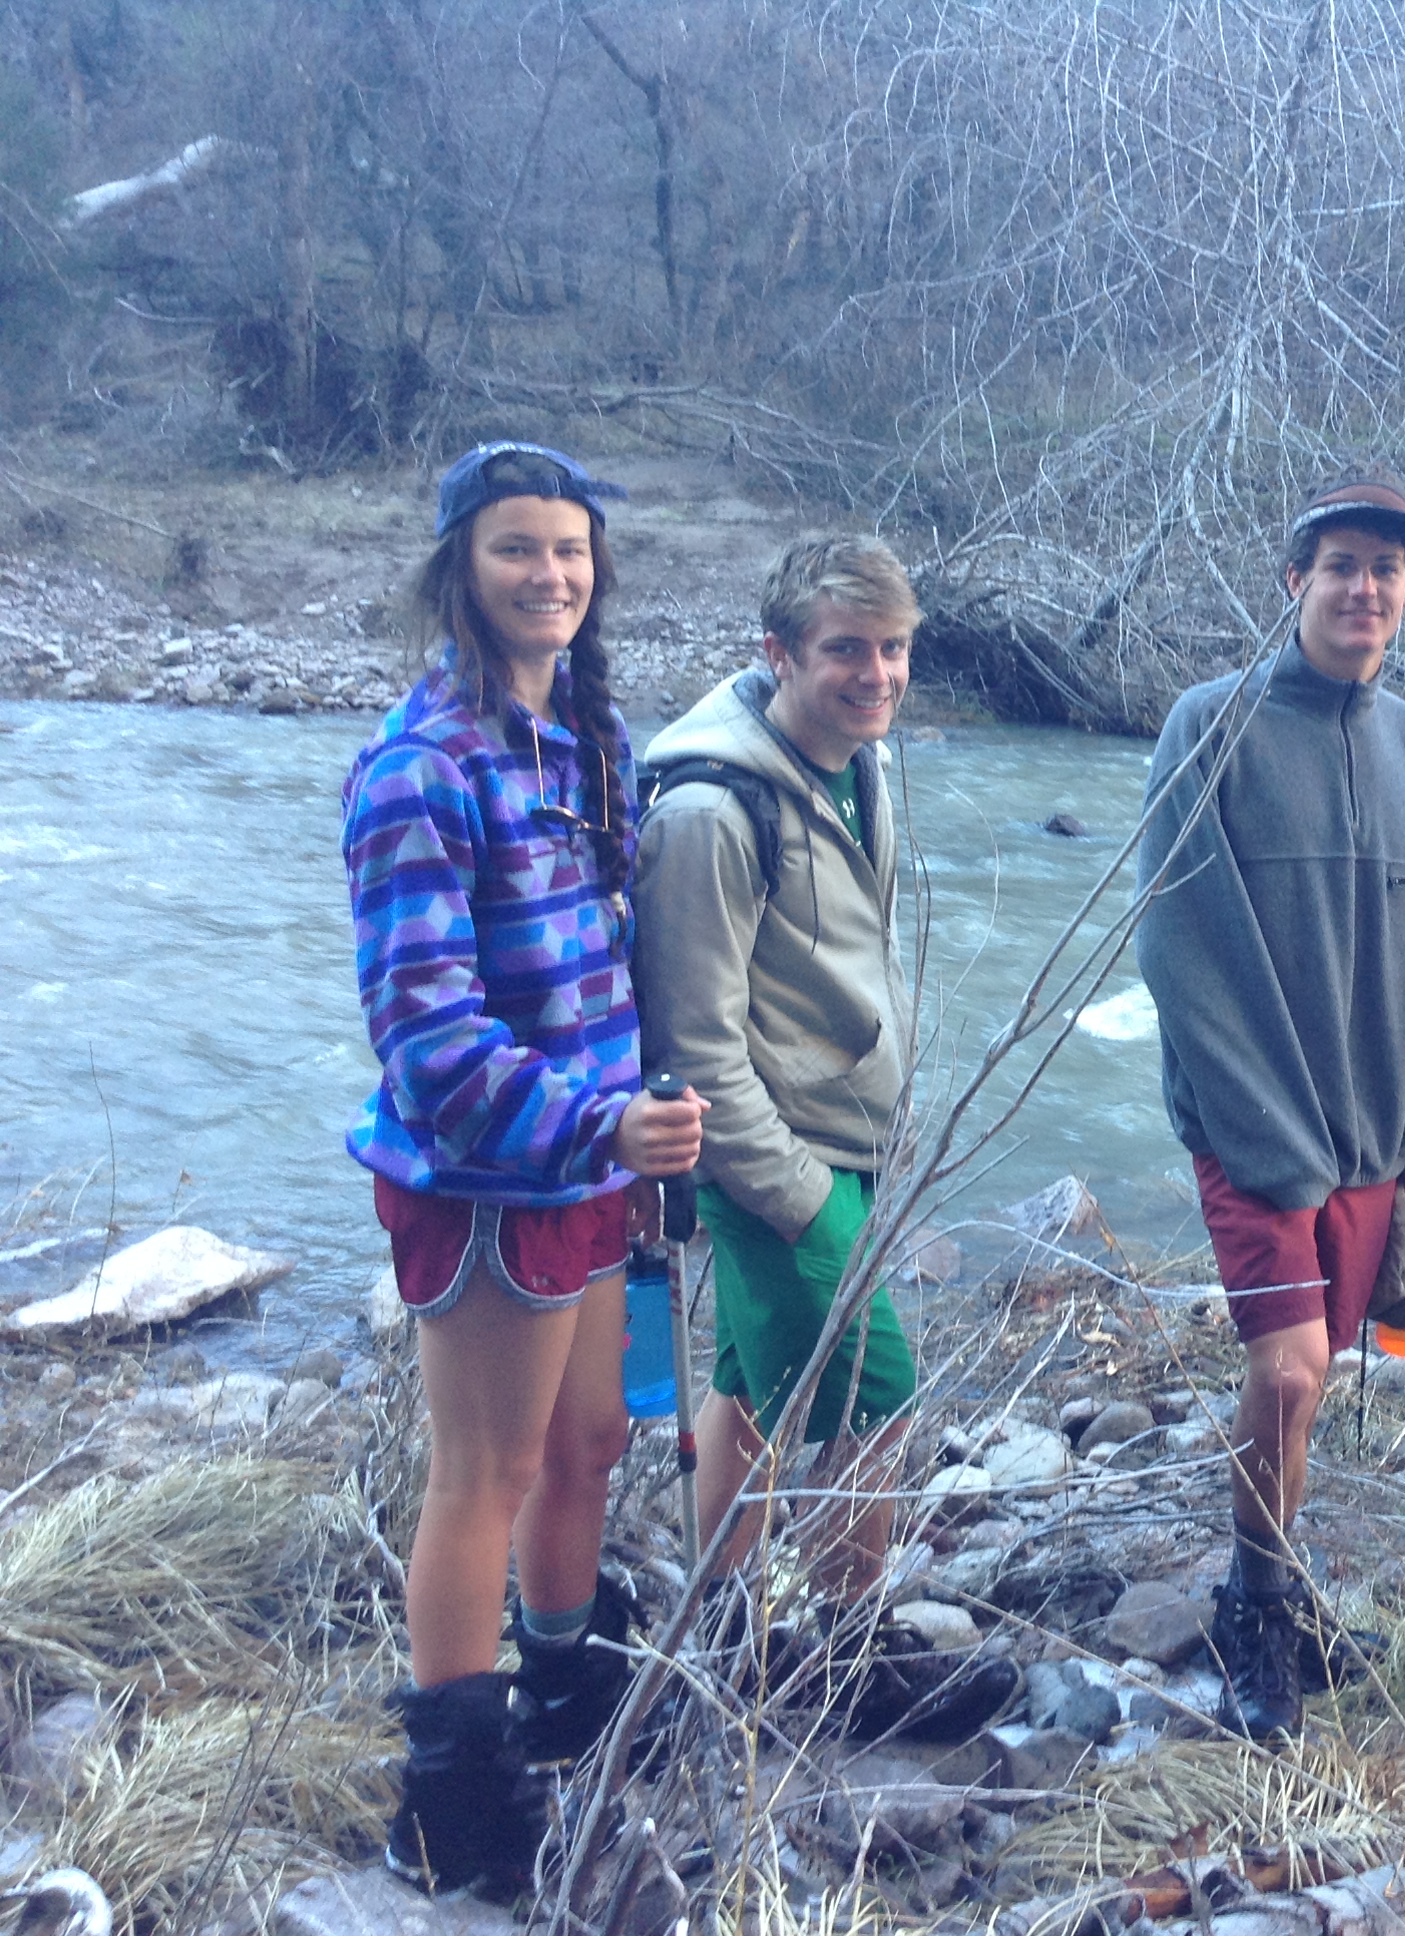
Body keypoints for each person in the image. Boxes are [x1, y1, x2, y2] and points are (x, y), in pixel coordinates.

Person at [344, 442, 707, 1900]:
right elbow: (428, 1040)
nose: (549, 574)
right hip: (484, 1181)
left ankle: (563, 1684)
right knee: (481, 1475)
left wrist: (636, 1133)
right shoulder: (416, 770)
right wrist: (597, 1128)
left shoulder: (588, 741)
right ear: (459, 569)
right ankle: (453, 1798)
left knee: (590, 1450)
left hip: (591, 1174)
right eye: (516, 550)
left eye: (570, 550)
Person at [631, 535, 1015, 1743]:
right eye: (847, 648)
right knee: (874, 1388)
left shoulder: (857, 763)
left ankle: (725, 1633)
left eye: (895, 648)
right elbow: (695, 1042)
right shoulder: (711, 809)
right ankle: (848, 1657)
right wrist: (796, 1192)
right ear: (779, 651)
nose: (879, 672)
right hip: (768, 1158)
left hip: (835, 1136)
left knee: (746, 1391)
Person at [1135, 468, 1405, 1743]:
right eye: (1342, 566)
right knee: (1288, 1370)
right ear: (1294, 583)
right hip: (1256, 1128)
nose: (1365, 589)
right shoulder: (1208, 722)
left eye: (1388, 570)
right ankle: (1253, 1609)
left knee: (1318, 1385)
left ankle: (1276, 1582)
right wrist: (1272, 1137)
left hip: (1379, 1132)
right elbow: (1179, 941)